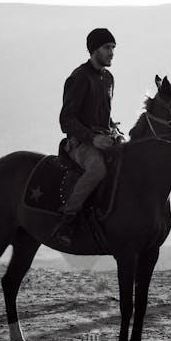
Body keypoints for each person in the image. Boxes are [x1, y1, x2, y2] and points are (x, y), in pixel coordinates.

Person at [52, 28, 122, 245]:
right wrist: (93, 138)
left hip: (103, 138)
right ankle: (68, 219)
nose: (111, 53)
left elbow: (104, 115)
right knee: (98, 169)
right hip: (80, 143)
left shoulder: (108, 78)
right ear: (94, 50)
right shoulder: (79, 77)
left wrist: (114, 129)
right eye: (106, 48)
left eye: (113, 48)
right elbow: (66, 120)